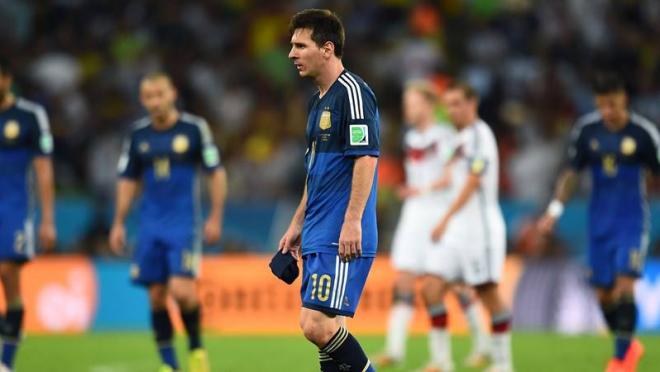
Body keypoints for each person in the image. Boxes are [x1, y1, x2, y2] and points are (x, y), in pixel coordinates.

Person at [279, 9, 380, 372]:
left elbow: (366, 158)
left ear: (327, 48)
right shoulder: (317, 101)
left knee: (315, 324)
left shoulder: (353, 94)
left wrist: (352, 221)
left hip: (341, 232)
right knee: (327, 334)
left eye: (299, 45)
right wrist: (297, 223)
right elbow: (315, 173)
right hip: (319, 230)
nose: (291, 54)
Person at [538, 73, 657, 372]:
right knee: (602, 292)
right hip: (598, 220)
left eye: (613, 105)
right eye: (602, 106)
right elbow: (571, 174)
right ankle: (629, 344)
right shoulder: (587, 131)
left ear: (624, 100)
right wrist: (554, 210)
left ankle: (621, 359)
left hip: (631, 219)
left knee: (624, 283)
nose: (608, 112)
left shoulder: (643, 134)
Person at [109, 73, 227, 372]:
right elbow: (127, 180)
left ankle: (196, 348)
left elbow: (216, 172)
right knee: (156, 296)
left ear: (173, 93)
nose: (155, 101)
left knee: (182, 291)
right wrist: (119, 222)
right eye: (149, 96)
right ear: (142, 99)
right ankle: (168, 364)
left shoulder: (194, 129)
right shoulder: (138, 135)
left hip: (183, 224)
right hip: (149, 225)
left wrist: (215, 216)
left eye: (160, 94)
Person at [375, 81, 489, 368]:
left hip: (439, 212)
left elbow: (451, 177)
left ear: (427, 105)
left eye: (412, 103)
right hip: (414, 214)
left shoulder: (446, 136)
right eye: (405, 104)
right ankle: (395, 348)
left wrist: (421, 190)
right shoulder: (411, 137)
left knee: (453, 284)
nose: (407, 109)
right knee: (404, 278)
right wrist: (412, 191)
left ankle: (482, 343)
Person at [423, 82, 512, 372]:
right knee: (432, 288)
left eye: (457, 103)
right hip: (456, 228)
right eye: (448, 105)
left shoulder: (480, 135)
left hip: (479, 227)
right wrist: (421, 189)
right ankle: (441, 361)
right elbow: (449, 177)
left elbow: (474, 181)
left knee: (488, 292)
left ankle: (502, 363)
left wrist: (445, 217)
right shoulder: (458, 140)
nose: (452, 110)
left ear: (472, 104)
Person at [0, 56, 56, 372]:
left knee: (8, 274)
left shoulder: (29, 116)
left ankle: (6, 363)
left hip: (13, 207)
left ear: (6, 79)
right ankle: (10, 327)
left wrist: (47, 219)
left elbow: (43, 169)